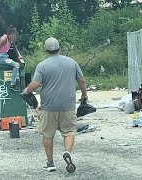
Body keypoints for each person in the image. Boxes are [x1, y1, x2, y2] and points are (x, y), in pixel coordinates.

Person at [23, 37, 88, 173]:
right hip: (68, 105)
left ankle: (50, 163)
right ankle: (67, 152)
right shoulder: (72, 63)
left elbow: (35, 84)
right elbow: (82, 80)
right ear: (60, 48)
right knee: (69, 131)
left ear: (46, 50)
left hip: (49, 106)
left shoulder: (42, 65)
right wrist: (84, 94)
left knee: (47, 135)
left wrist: (27, 91)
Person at [0, 25, 22, 91]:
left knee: (15, 64)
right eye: (12, 36)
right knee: (16, 65)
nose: (13, 37)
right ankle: (12, 84)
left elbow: (15, 47)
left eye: (14, 36)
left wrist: (19, 55)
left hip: (5, 56)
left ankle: (13, 82)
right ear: (8, 35)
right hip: (0, 57)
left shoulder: (11, 40)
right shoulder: (4, 39)